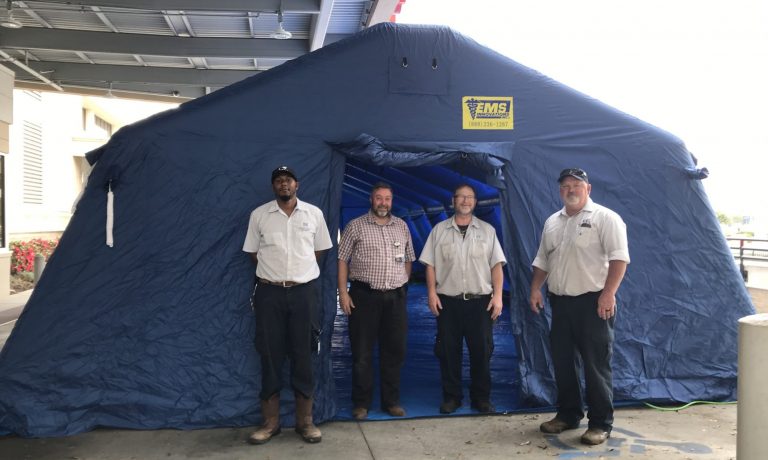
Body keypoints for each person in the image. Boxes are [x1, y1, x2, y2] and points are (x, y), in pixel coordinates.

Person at [529, 167, 630, 446]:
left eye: (576, 184)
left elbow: (619, 258)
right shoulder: (552, 222)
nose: (570, 190)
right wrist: (535, 288)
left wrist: (608, 294)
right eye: (565, 186)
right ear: (559, 190)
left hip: (594, 303)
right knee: (563, 363)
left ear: (588, 188)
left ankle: (600, 424)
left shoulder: (606, 218)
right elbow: (542, 260)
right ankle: (568, 414)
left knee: (596, 365)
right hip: (560, 303)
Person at [242, 165, 333, 445]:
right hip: (269, 293)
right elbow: (253, 253)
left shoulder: (314, 214)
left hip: (304, 293)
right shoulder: (259, 215)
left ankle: (305, 422)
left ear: (297, 185)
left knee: (303, 352)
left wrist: (297, 274)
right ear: (273, 186)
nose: (284, 184)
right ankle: (271, 423)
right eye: (279, 181)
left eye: (288, 180)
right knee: (270, 353)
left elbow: (319, 250)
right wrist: (277, 275)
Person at [419, 184, 506, 414]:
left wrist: (498, 296)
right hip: (448, 302)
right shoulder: (439, 231)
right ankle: (452, 397)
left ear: (475, 202)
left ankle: (481, 399)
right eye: (461, 197)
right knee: (448, 351)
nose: (465, 201)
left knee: (482, 352)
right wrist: (431, 293)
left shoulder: (487, 231)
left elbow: (496, 266)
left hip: (480, 302)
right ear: (453, 200)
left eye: (470, 197)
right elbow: (430, 265)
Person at [337, 182, 415, 420]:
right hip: (364, 296)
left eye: (387, 198)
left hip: (395, 298)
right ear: (371, 200)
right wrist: (343, 293)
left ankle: (391, 402)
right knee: (362, 352)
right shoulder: (355, 226)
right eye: (379, 198)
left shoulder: (401, 226)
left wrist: (402, 283)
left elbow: (409, 258)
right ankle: (362, 403)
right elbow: (342, 260)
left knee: (395, 351)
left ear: (392, 201)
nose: (383, 203)